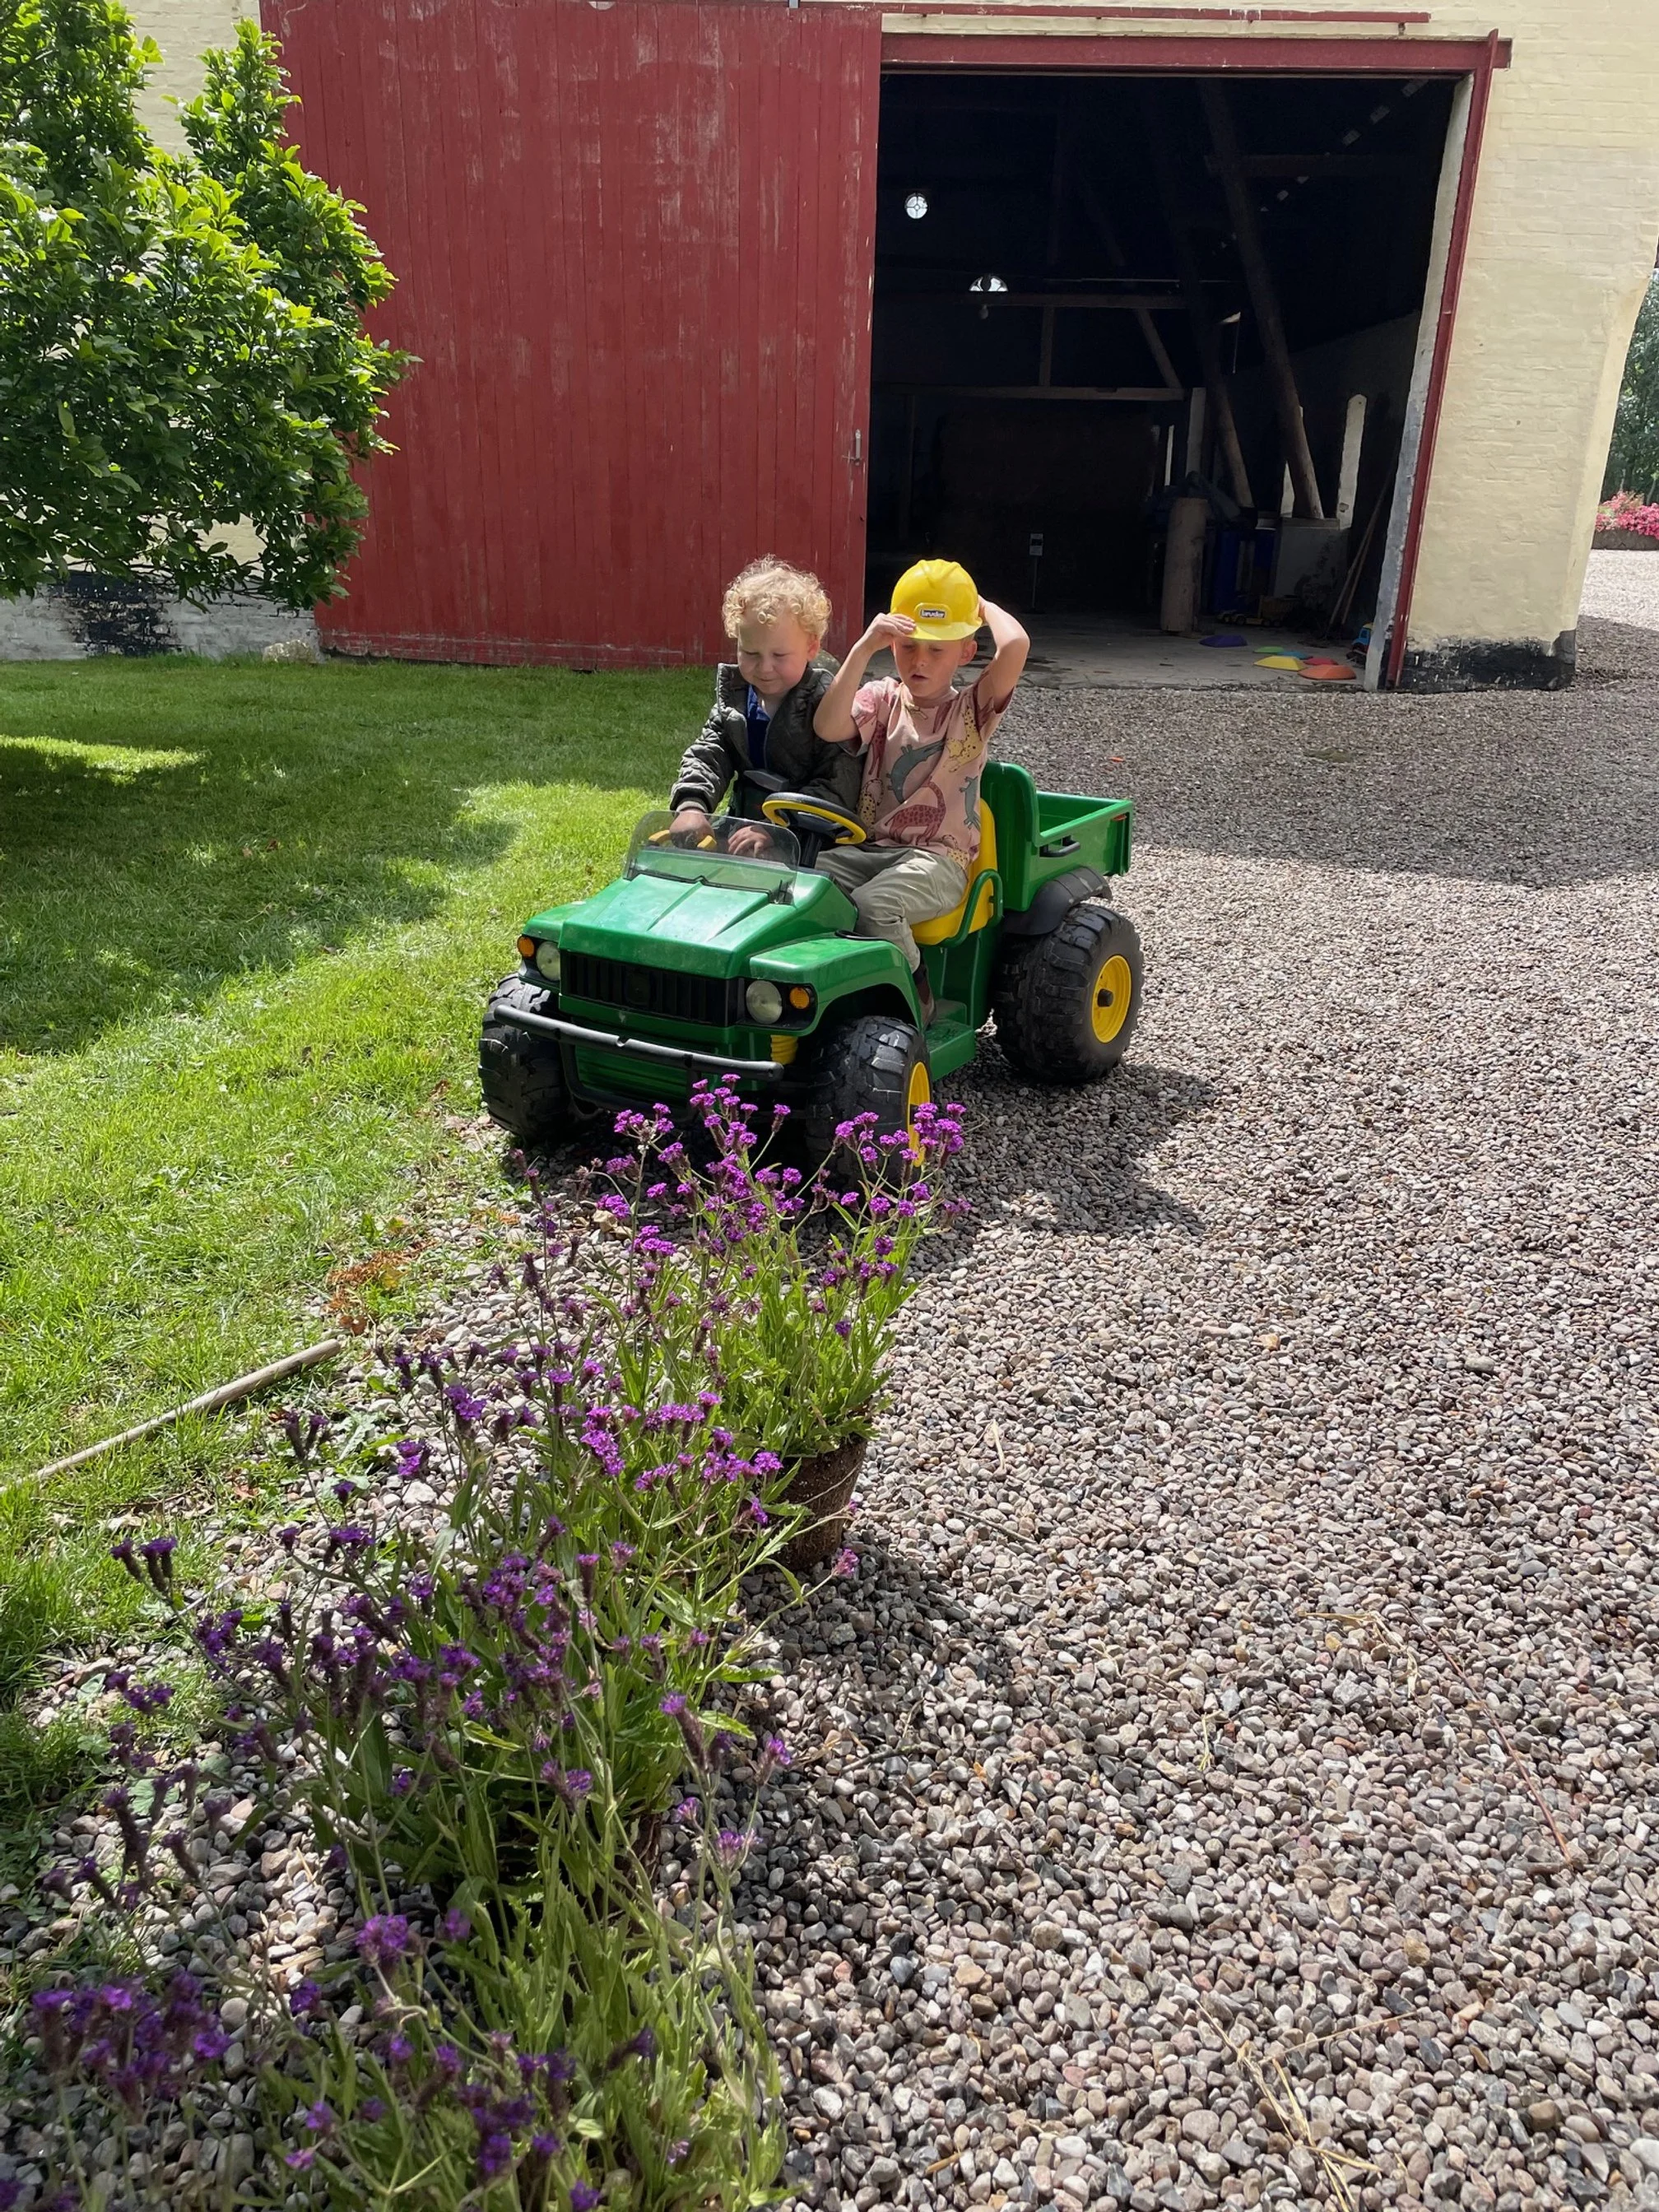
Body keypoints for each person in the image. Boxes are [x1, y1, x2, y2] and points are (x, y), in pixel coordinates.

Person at [811, 559, 1029, 1025]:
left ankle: (914, 992)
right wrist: (865, 646)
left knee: (875, 905)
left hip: (939, 861)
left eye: (937, 649)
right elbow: (828, 726)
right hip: (870, 848)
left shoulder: (972, 711)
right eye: (908, 647)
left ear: (966, 652)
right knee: (802, 881)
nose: (920, 660)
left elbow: (1015, 646)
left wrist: (980, 606)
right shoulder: (882, 697)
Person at [669, 558, 861, 857]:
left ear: (811, 647)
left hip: (809, 842)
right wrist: (692, 804)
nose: (765, 668)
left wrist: (777, 827)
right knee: (681, 866)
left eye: (780, 655)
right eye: (751, 653)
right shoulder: (735, 700)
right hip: (740, 828)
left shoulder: (827, 705)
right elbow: (708, 755)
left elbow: (838, 785)